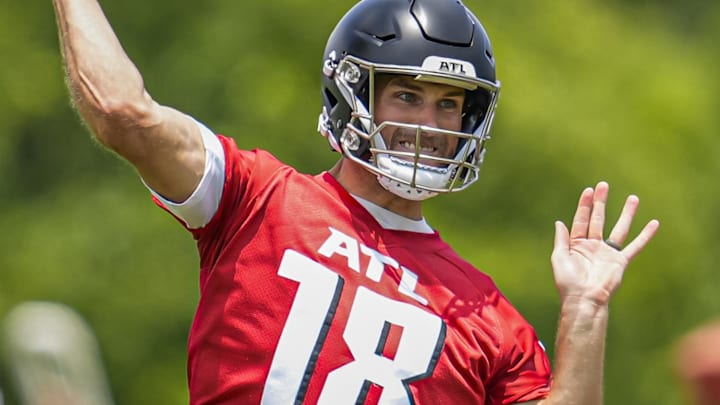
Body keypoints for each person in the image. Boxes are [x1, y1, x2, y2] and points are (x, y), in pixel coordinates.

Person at [51, 0, 660, 403]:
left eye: (449, 104)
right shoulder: (257, 198)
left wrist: (585, 310)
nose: (430, 124)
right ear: (353, 92)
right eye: (407, 96)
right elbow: (122, 113)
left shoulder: (489, 318)